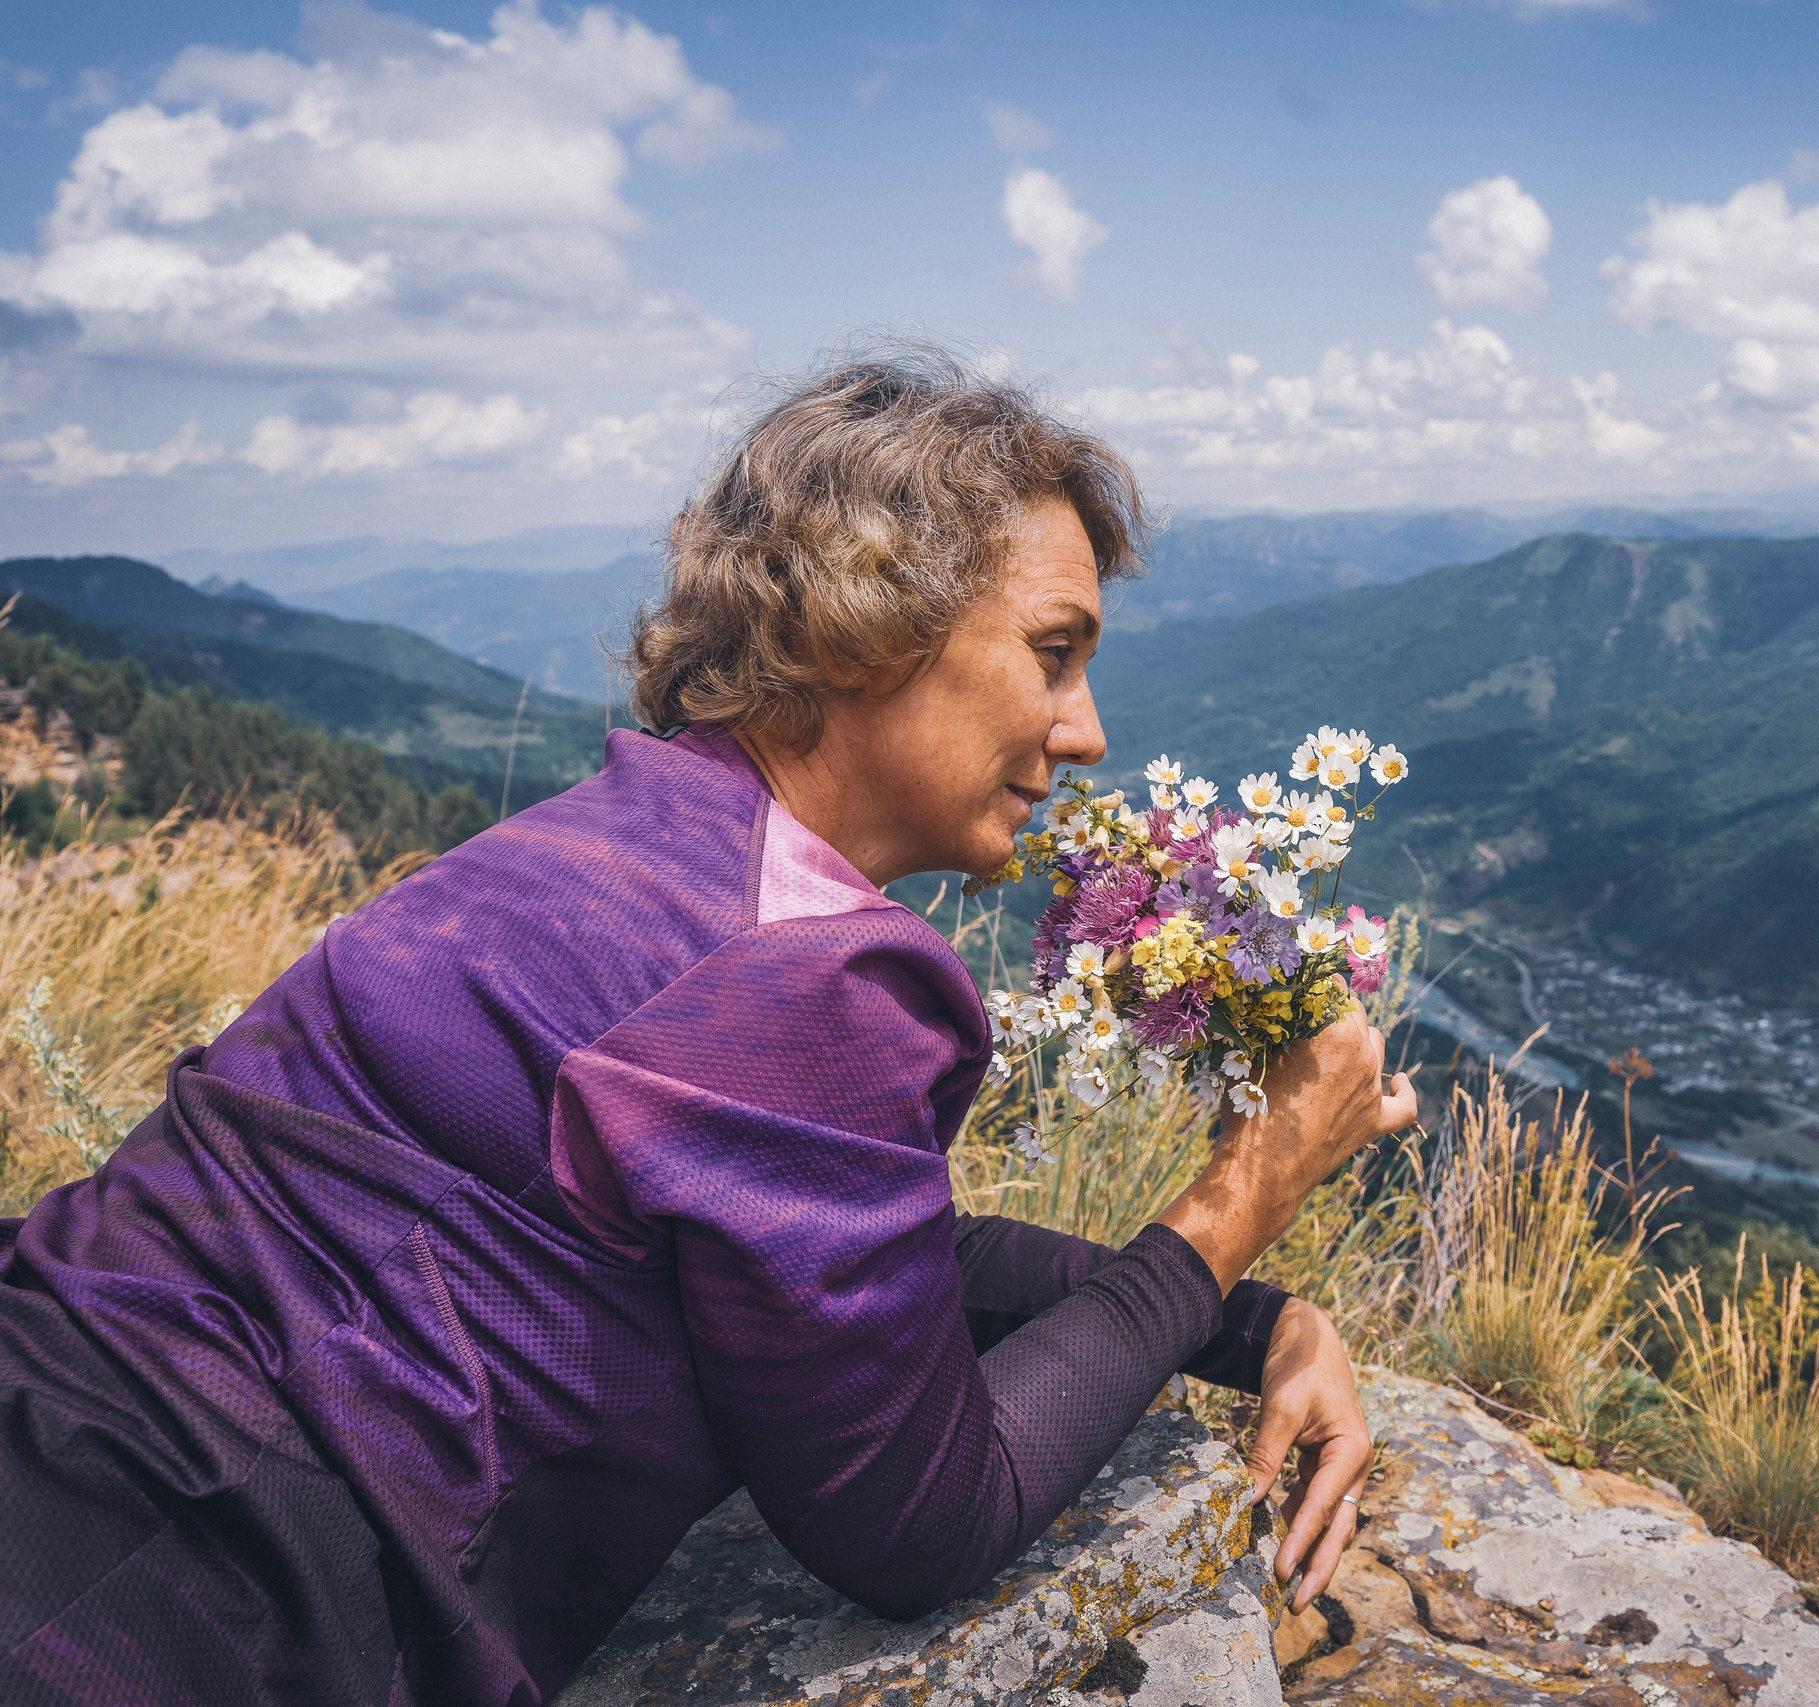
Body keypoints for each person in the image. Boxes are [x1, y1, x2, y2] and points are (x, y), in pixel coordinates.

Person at [0, 347, 1417, 1705]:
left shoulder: (605, 842)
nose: (1086, 727)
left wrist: (1249, 1325)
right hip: (177, 1607)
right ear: (864, 624)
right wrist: (1255, 1182)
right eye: (1052, 652)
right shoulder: (805, 978)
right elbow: (924, 1518)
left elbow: (850, 1277)